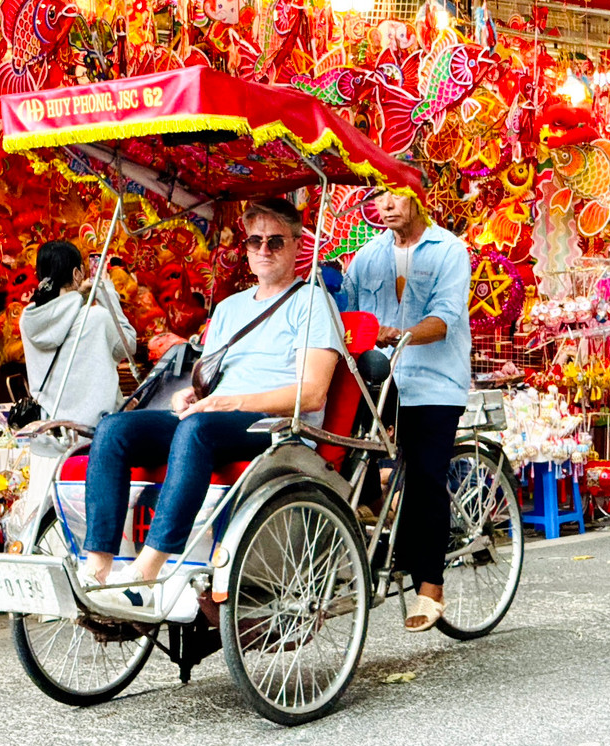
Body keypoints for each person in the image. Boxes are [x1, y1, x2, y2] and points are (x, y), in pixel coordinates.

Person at [79, 198, 344, 608]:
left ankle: (146, 572)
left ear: (296, 245)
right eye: (255, 241)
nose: (263, 251)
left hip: (277, 425)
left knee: (196, 429)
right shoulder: (229, 308)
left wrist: (228, 402)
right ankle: (97, 568)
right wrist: (196, 392)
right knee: (115, 428)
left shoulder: (311, 303)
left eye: (275, 242)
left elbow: (311, 393)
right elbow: (211, 377)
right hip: (218, 414)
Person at [342, 191, 471, 633]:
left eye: (396, 194)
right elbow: (349, 317)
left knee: (424, 477)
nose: (387, 206)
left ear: (418, 196)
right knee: (341, 453)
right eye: (379, 198)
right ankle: (377, 507)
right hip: (378, 378)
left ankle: (430, 587)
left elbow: (445, 317)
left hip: (433, 381)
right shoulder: (364, 258)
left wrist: (402, 333)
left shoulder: (449, 250)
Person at [19, 240, 136, 426]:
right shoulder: (96, 317)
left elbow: (60, 315)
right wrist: (107, 293)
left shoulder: (28, 319)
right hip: (93, 434)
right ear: (76, 274)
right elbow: (128, 346)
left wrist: (78, 295)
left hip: (50, 431)